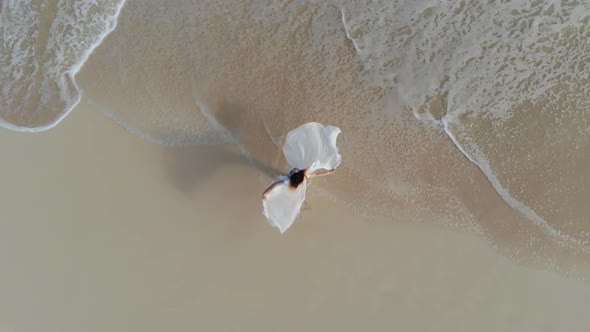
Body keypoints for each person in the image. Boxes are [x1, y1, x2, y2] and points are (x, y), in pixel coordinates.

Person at [262, 122, 342, 233]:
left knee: (292, 199)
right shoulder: (305, 174)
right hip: (297, 186)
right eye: (295, 171)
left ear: (292, 175)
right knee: (294, 199)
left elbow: (276, 185)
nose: (294, 170)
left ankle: (298, 206)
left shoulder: (289, 179)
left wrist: (266, 194)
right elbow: (316, 175)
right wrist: (328, 173)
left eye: (294, 171)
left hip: (295, 187)